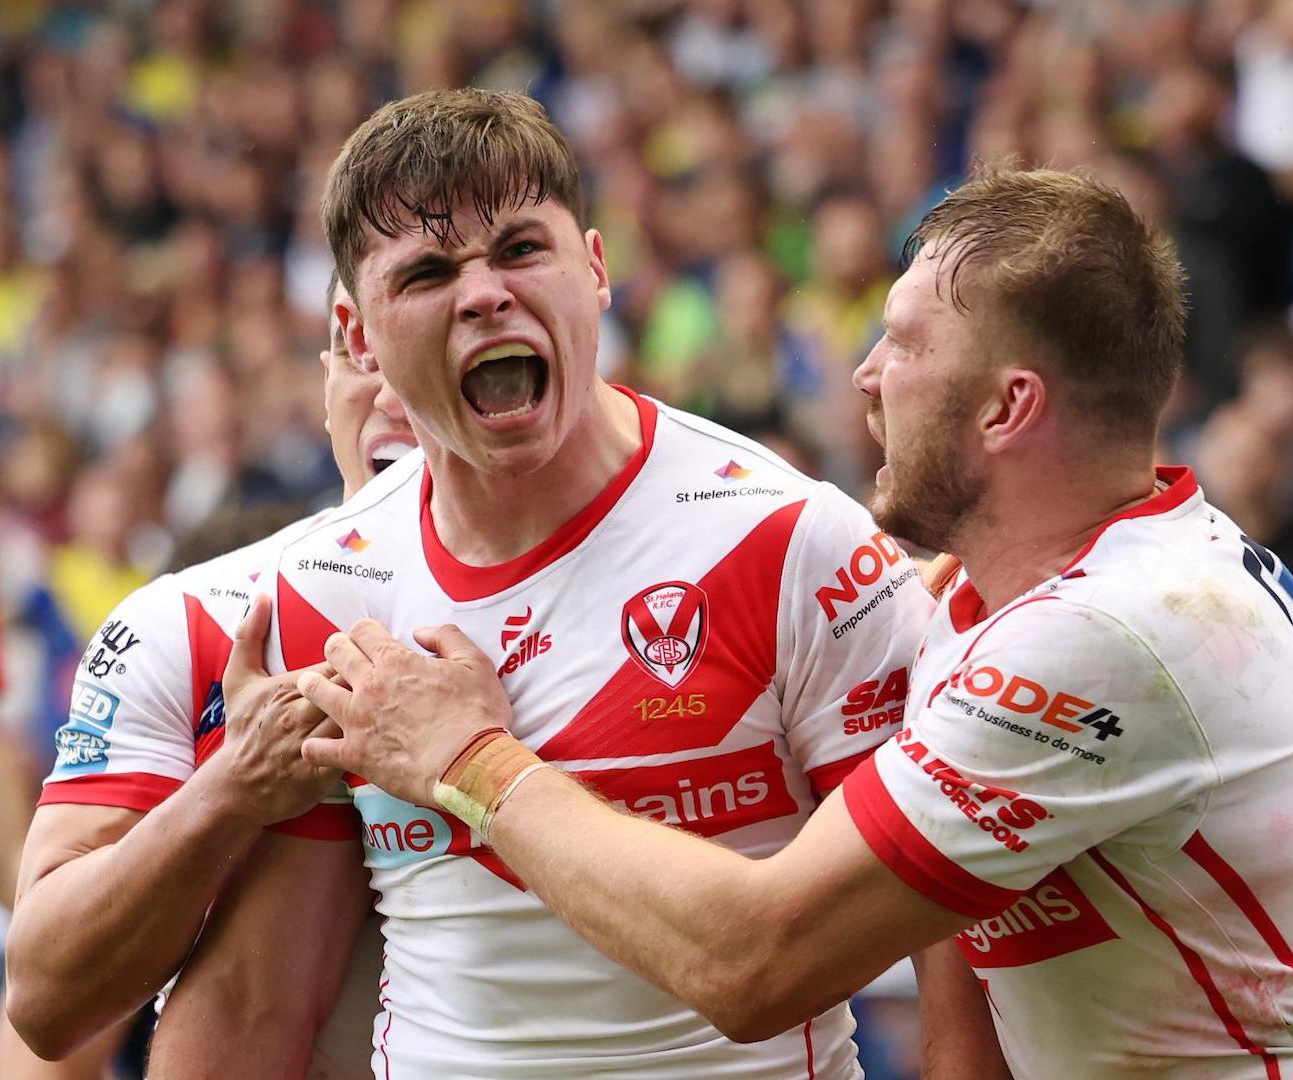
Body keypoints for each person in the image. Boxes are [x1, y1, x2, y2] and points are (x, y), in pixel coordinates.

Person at [300, 166, 1293, 1076]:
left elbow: (757, 962)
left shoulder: (1111, 633)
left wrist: (472, 761)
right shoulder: (1019, 592)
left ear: (1010, 406)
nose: (863, 374)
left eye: (904, 343)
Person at [154, 88, 994, 1079]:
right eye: (427, 273)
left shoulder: (791, 541)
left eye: (520, 250)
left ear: (595, 268)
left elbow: (962, 947)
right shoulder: (322, 589)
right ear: (357, 334)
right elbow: (254, 1006)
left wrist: (472, 764)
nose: (483, 295)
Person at [0, 274, 411, 1073]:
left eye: (411, 348)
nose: (391, 392)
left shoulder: (650, 570)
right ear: (325, 387)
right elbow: (44, 1002)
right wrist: (237, 786)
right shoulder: (188, 619)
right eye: (358, 354)